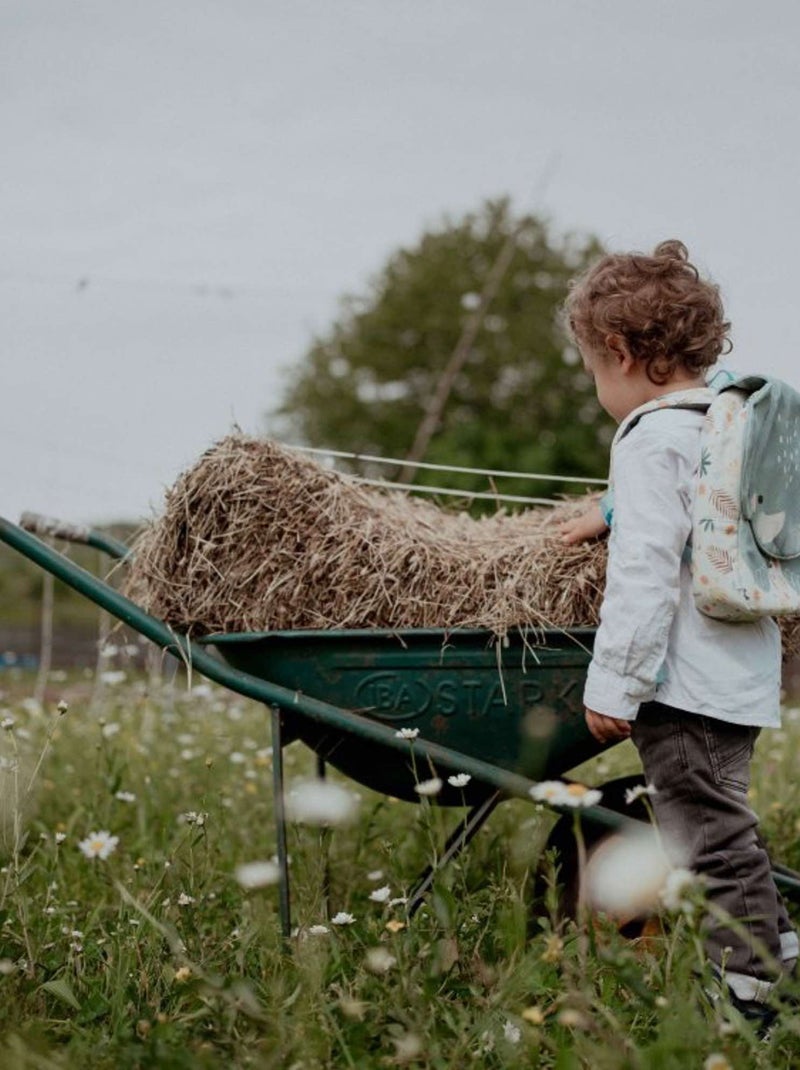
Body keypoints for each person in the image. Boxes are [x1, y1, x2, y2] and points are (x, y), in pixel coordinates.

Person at [560, 239, 797, 1029]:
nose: (597, 385)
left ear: (621, 354)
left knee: (708, 842)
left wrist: (614, 684)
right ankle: (780, 956)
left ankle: (751, 998)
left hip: (683, 685)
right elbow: (703, 512)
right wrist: (612, 507)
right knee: (729, 825)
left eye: (593, 368)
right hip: (742, 674)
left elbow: (647, 572)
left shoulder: (647, 437)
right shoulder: (728, 416)